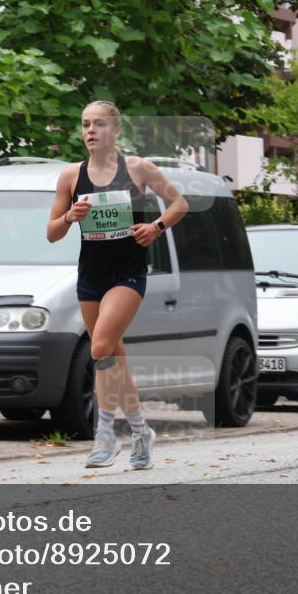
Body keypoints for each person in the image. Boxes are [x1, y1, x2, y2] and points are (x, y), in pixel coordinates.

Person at [46, 101, 189, 468]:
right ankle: (141, 432)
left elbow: (179, 204)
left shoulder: (138, 169)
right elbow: (51, 233)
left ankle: (105, 435)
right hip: (90, 276)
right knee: (113, 357)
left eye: (99, 124)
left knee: (100, 347)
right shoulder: (70, 177)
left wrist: (155, 228)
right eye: (84, 124)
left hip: (128, 274)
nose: (90, 131)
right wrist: (69, 216)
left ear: (116, 130)